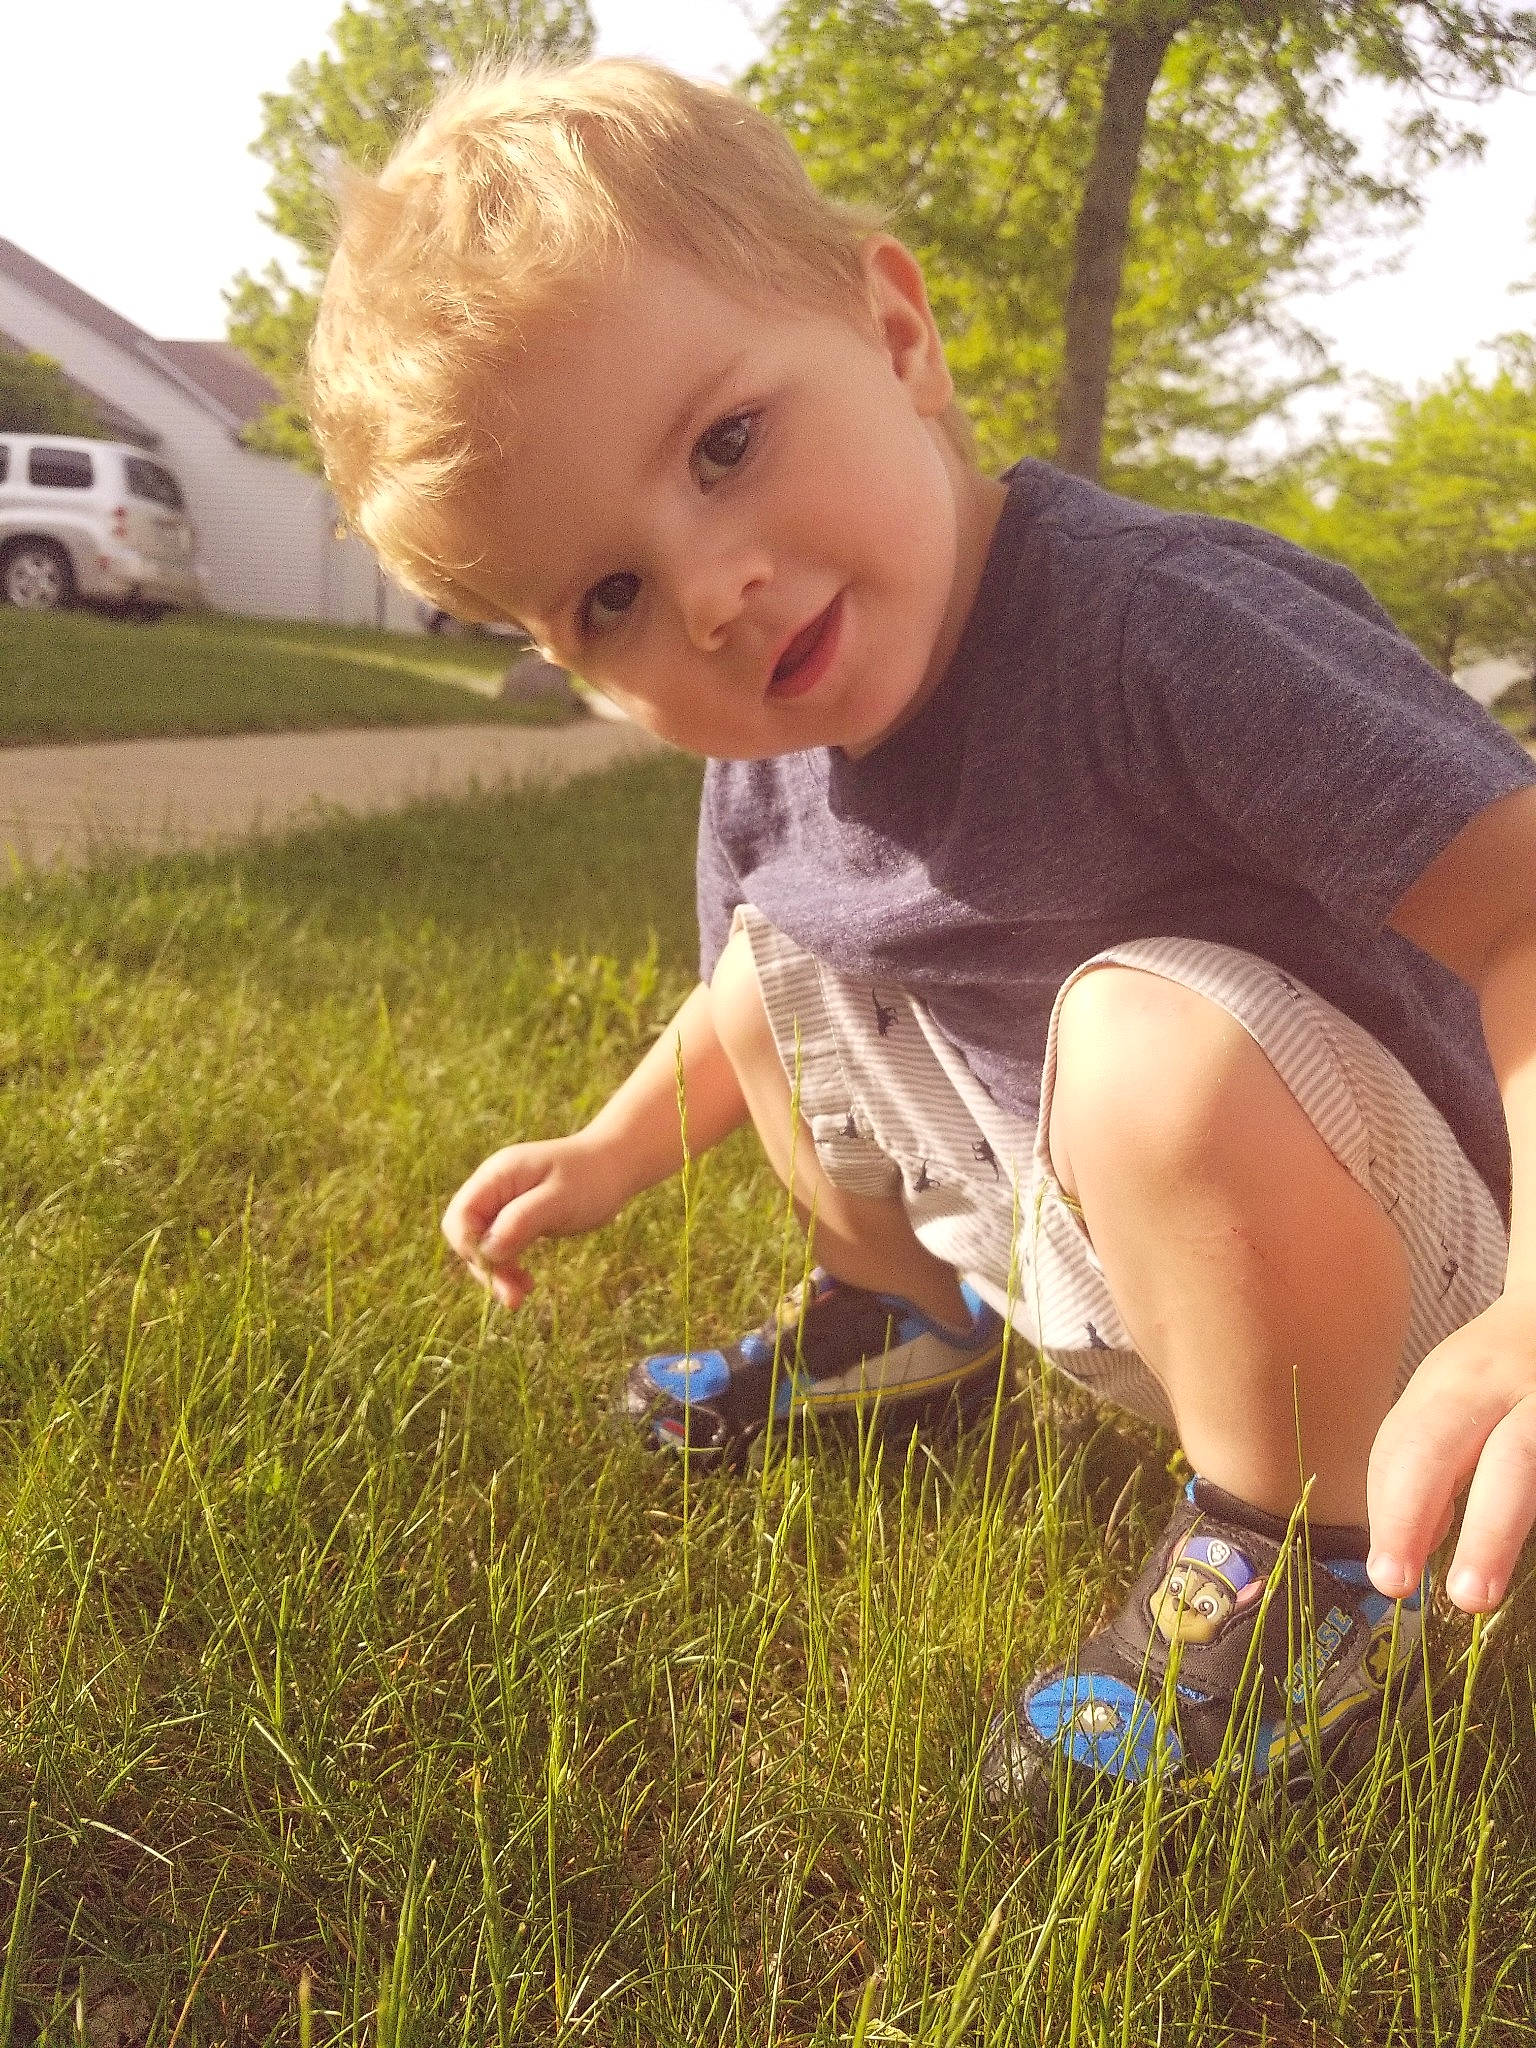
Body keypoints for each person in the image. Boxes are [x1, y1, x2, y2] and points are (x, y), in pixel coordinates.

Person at [307, 56, 1536, 1810]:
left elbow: (1523, 908)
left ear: (896, 334)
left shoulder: (1158, 632)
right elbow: (748, 997)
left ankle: (1315, 1571)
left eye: (725, 445)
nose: (713, 590)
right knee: (789, 947)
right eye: (611, 596)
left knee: (1145, 1035)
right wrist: (604, 1151)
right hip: (1143, 1264)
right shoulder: (782, 746)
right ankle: (900, 1327)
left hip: (1425, 1305)